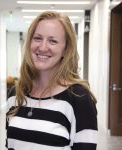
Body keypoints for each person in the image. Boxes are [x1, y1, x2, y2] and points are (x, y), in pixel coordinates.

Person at [6, 11, 98, 150]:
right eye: (37, 38)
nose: (42, 47)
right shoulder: (15, 94)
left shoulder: (79, 98)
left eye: (53, 41)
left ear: (66, 50)